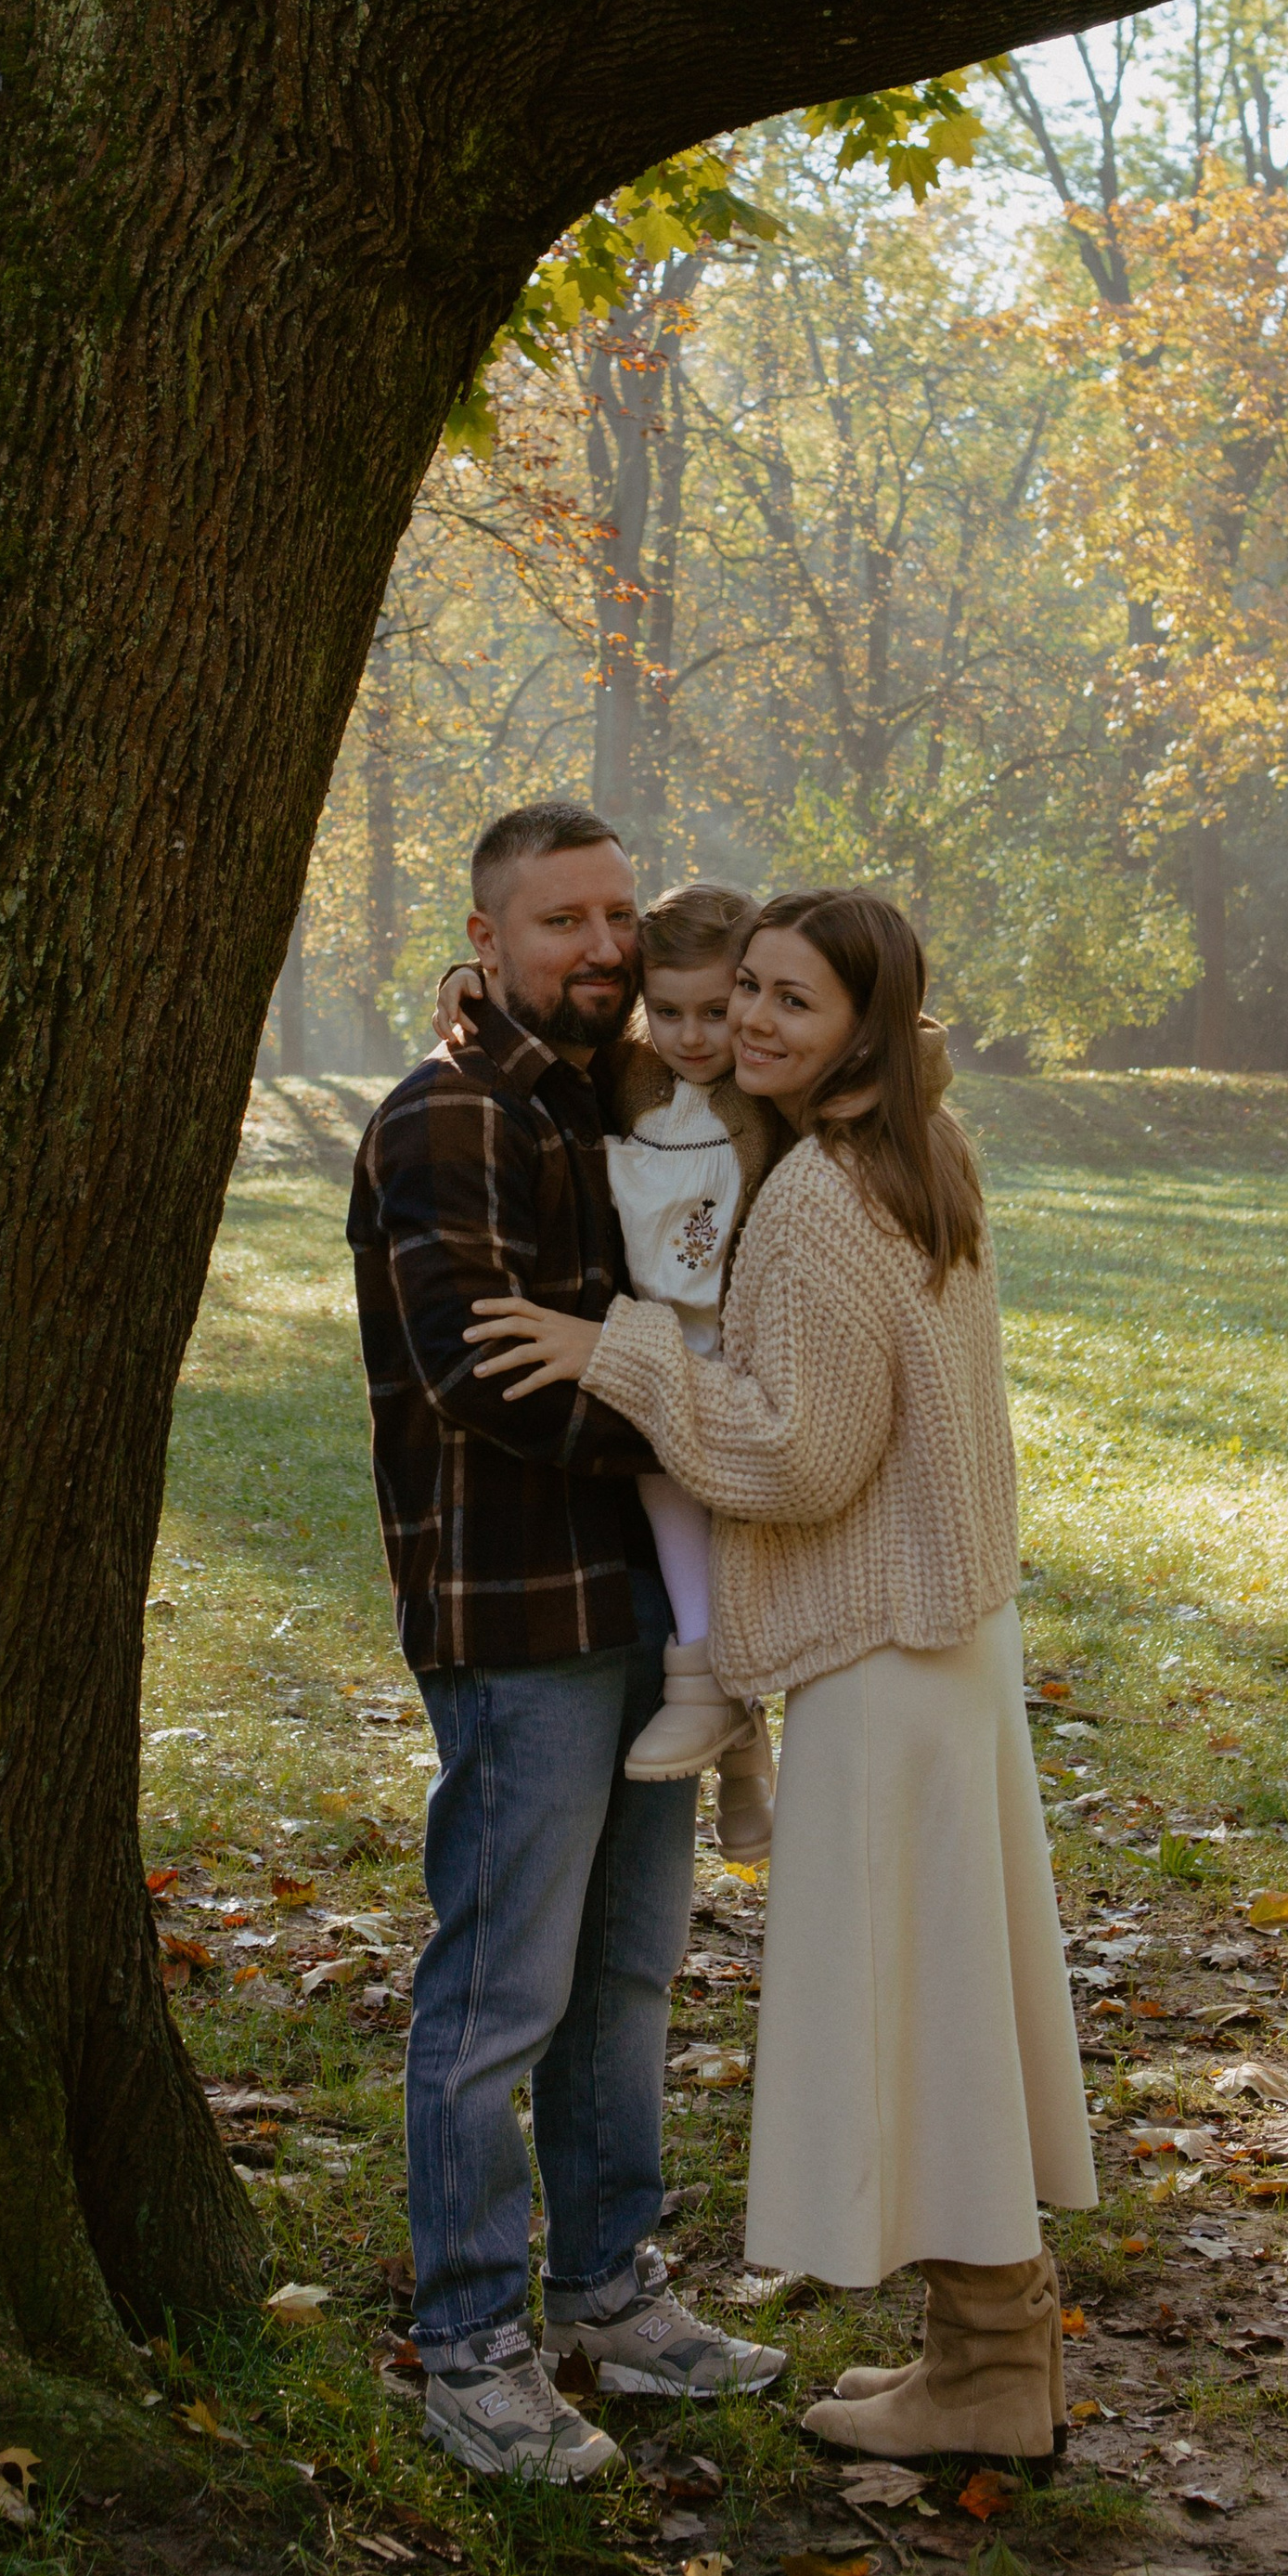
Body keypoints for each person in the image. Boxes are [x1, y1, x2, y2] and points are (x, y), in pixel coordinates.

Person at [465, 887, 1094, 2459]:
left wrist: (619, 1350)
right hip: (945, 1645)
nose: (749, 1023)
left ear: (861, 1029)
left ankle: (994, 2373)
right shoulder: (918, 1147)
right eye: (743, 989)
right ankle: (984, 2352)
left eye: (791, 1004)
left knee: (926, 2005)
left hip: (887, 1654)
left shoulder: (820, 1194)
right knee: (953, 1997)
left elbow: (803, 1459)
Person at [347, 798, 786, 2484]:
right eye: (561, 924)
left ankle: (613, 2294)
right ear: (486, 940)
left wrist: (662, 1377)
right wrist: (703, 1408)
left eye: (617, 915)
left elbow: (653, 1322)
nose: (601, 947)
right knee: (499, 1996)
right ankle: (470, 2351)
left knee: (625, 1981)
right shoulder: (447, 1121)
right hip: (519, 1622)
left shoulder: (620, 1109)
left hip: (645, 1623)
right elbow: (491, 1380)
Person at [435, 881, 780, 1857]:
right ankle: (715, 1698)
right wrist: (472, 981)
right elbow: (536, 1036)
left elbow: (870, 1057)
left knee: (732, 1546)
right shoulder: (628, 1078)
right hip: (647, 1344)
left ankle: (738, 1734)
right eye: (667, 1012)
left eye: (718, 1011)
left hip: (730, 1346)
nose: (695, 1037)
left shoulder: (768, 1093)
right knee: (672, 1512)